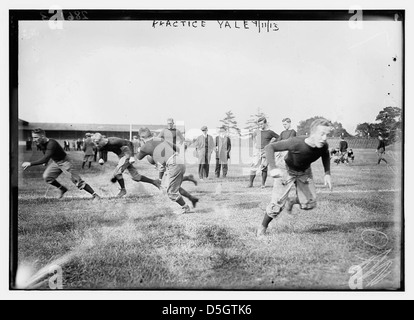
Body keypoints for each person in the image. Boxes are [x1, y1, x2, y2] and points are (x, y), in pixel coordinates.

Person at [257, 118, 333, 237]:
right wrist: (273, 168)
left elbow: (325, 154)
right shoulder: (296, 142)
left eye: (327, 135)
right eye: (321, 134)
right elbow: (269, 147)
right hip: (286, 169)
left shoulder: (323, 145)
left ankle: (292, 201)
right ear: (313, 133)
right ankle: (262, 227)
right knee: (277, 205)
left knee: (310, 203)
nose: (324, 138)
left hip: (304, 171)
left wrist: (327, 173)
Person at [21, 128, 100, 200]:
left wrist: (30, 163)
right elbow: (45, 152)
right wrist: (46, 162)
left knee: (77, 181)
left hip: (65, 162)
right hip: (56, 162)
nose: (33, 139)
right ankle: (62, 189)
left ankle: (95, 195)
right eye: (33, 137)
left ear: (42, 136)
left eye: (35, 137)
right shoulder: (39, 142)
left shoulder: (52, 143)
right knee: (47, 177)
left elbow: (45, 157)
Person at [137, 127, 199, 214]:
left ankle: (185, 208)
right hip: (179, 161)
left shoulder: (145, 146)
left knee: (171, 193)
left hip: (173, 165)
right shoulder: (160, 139)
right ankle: (191, 196)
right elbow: (177, 148)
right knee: (171, 185)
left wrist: (142, 150)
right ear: (151, 134)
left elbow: (138, 157)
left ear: (141, 137)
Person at [92, 132, 161, 197]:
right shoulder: (101, 145)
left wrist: (131, 156)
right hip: (122, 156)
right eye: (96, 144)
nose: (97, 145)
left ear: (102, 139)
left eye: (97, 143)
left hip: (126, 154)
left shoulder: (114, 141)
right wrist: (101, 158)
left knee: (117, 173)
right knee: (136, 177)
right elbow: (100, 149)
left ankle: (123, 190)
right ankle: (155, 182)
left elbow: (129, 143)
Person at [248, 117, 279, 188]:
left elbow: (278, 137)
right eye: (259, 124)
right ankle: (250, 183)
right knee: (253, 166)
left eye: (262, 124)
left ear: (265, 123)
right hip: (257, 151)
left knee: (264, 167)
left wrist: (271, 143)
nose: (260, 125)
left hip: (266, 151)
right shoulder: (256, 131)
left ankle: (263, 184)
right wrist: (255, 143)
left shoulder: (270, 132)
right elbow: (252, 136)